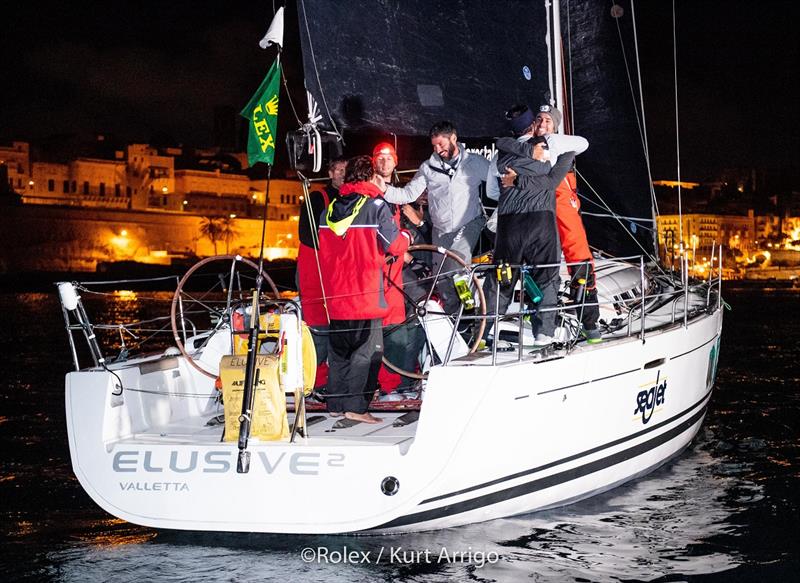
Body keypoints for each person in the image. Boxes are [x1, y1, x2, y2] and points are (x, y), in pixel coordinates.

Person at [317, 155, 411, 424]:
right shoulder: (376, 206)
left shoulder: (330, 209)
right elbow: (393, 246)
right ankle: (357, 408)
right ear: (371, 177)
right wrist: (407, 236)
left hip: (336, 295)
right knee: (367, 353)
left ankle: (335, 404)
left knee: (339, 352)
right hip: (366, 293)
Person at [504, 104, 601, 342]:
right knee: (535, 261)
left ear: (556, 126)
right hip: (536, 205)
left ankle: (589, 320)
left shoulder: (561, 144)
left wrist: (551, 139)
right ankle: (539, 314)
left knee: (577, 254)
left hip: (558, 198)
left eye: (548, 120)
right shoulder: (526, 146)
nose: (542, 124)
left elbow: (583, 143)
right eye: (539, 120)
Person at [380, 121, 489, 317]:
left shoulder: (475, 163)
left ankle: (475, 312)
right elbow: (408, 194)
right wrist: (383, 189)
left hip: (469, 223)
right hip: (441, 229)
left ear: (453, 138)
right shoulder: (428, 168)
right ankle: (454, 317)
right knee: (442, 279)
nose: (438, 149)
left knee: (454, 266)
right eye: (434, 146)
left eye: (441, 144)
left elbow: (497, 180)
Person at [487, 136, 576, 346]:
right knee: (546, 275)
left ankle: (483, 330)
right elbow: (553, 179)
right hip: (540, 220)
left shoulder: (506, 157)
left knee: (502, 278)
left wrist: (518, 178)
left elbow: (500, 160)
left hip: (510, 224)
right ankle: (544, 333)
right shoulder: (557, 155)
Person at [296, 157, 346, 388]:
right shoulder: (317, 197)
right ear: (330, 172)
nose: (342, 174)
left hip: (336, 275)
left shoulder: (350, 199)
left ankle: (333, 380)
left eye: (347, 170)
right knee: (317, 331)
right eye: (338, 170)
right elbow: (307, 234)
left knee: (338, 330)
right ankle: (313, 382)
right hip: (315, 272)